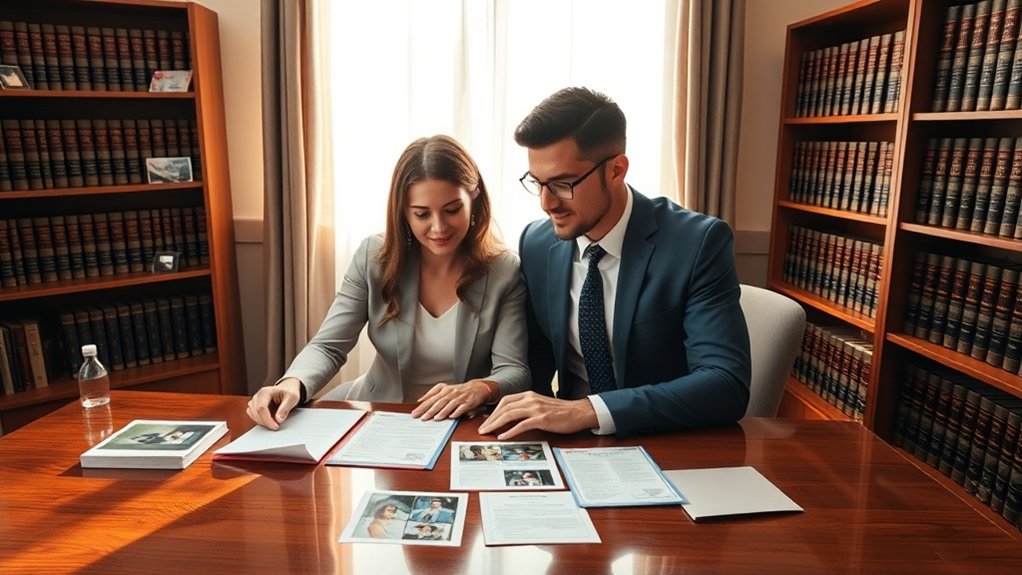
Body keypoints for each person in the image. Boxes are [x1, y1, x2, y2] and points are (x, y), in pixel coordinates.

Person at [479, 87, 751, 440]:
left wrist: (587, 410)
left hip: (665, 440)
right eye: (537, 183)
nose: (546, 203)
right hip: (570, 444)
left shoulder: (697, 243)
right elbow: (537, 358)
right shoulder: (537, 243)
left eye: (563, 184)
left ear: (616, 170)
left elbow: (725, 383)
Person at [247, 135, 530, 430]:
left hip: (460, 424)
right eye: (422, 214)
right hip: (378, 413)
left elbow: (514, 370)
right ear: (403, 212)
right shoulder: (373, 257)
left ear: (474, 199)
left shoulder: (503, 270)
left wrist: (481, 388)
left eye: (452, 210)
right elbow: (330, 345)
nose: (438, 227)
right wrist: (293, 383)